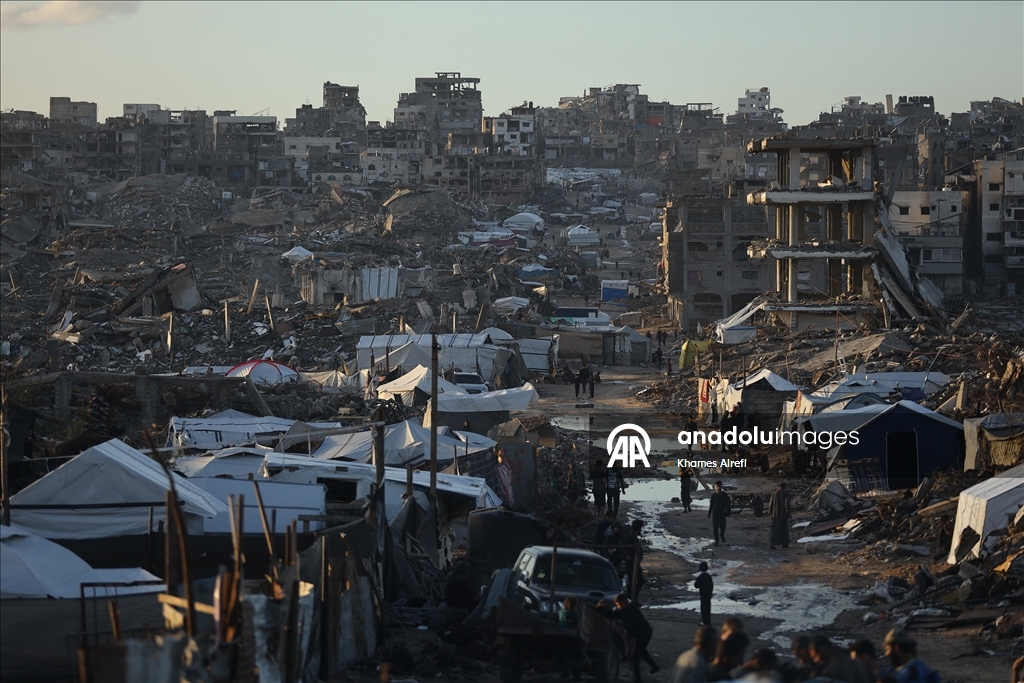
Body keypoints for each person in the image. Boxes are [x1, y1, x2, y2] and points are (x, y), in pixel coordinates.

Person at [613, 594, 659, 681]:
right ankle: (654, 666)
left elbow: (612, 615)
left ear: (622, 603)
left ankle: (638, 678)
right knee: (641, 651)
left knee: (635, 657)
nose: (618, 607)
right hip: (646, 632)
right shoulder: (632, 608)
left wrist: (600, 609)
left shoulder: (627, 611)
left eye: (618, 604)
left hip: (641, 634)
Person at [620, 519, 646, 603]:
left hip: (635, 561)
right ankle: (631, 598)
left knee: (634, 580)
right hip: (631, 562)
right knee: (638, 580)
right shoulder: (631, 535)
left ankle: (632, 598)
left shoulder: (633, 535)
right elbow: (621, 545)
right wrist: (627, 556)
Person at [769, 482, 791, 550]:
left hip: (774, 514)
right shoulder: (786, 494)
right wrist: (788, 513)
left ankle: (774, 543)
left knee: (775, 528)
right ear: (785, 487)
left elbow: (771, 504)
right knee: (783, 529)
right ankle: (783, 543)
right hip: (782, 514)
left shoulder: (773, 493)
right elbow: (787, 504)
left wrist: (770, 513)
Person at [708, 481, 731, 545]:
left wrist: (727, 510)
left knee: (723, 527)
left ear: (721, 486)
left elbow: (728, 504)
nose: (718, 488)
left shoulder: (724, 495)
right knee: (715, 528)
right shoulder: (713, 495)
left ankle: (722, 535)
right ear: (715, 487)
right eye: (717, 486)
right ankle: (717, 541)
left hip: (722, 513)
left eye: (719, 486)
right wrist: (709, 513)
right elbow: (711, 505)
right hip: (715, 513)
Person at [694, 561, 713, 626]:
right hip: (708, 594)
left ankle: (704, 622)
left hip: (703, 594)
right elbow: (711, 585)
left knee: (703, 608)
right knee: (708, 608)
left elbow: (696, 585)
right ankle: (708, 621)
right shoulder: (709, 576)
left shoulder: (700, 577)